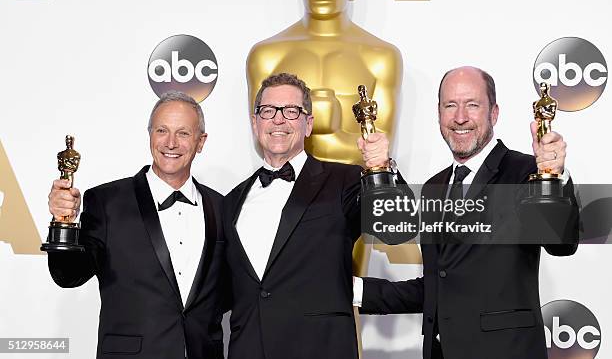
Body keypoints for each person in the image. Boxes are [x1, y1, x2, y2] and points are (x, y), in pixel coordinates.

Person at [354, 66, 579, 359]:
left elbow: (561, 243)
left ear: (494, 113)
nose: (460, 117)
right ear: (439, 114)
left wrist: (553, 175)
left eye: (472, 105)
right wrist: (355, 290)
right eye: (450, 105)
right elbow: (440, 284)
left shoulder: (524, 173)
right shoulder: (435, 186)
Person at [47, 91, 227, 359]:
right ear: (150, 135)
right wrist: (62, 221)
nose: (170, 142)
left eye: (184, 133)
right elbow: (68, 275)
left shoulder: (222, 207)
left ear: (201, 142)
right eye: (162, 130)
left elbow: (230, 291)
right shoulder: (107, 201)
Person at [223, 73, 391, 359]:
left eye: (291, 111)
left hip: (321, 349)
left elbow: (391, 228)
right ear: (255, 123)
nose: (278, 120)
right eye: (268, 111)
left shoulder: (345, 179)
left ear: (309, 124)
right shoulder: (230, 201)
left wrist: (380, 169)